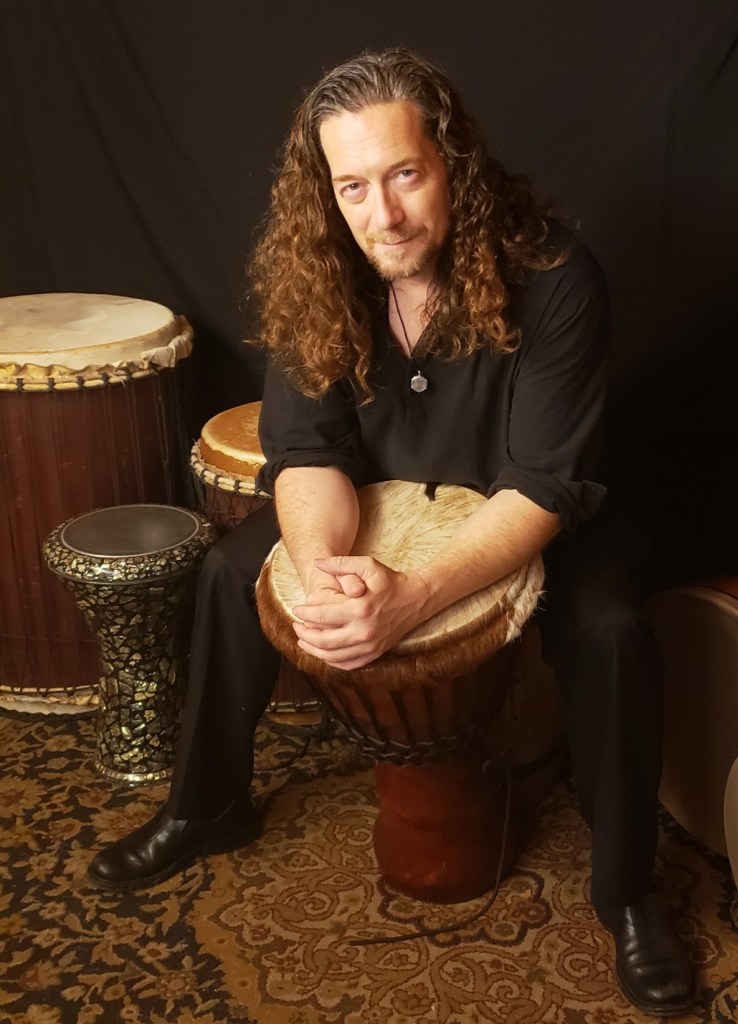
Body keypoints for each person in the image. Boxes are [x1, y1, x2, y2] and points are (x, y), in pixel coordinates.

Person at [87, 48, 695, 1016]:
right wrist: (324, 570)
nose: (385, 213)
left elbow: (544, 483)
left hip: (535, 511)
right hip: (377, 501)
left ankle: (628, 892)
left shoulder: (555, 277)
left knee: (614, 626)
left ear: (455, 164)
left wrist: (414, 595)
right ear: (327, 195)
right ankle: (207, 805)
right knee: (232, 574)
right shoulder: (319, 273)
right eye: (354, 187)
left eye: (405, 174)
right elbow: (307, 453)